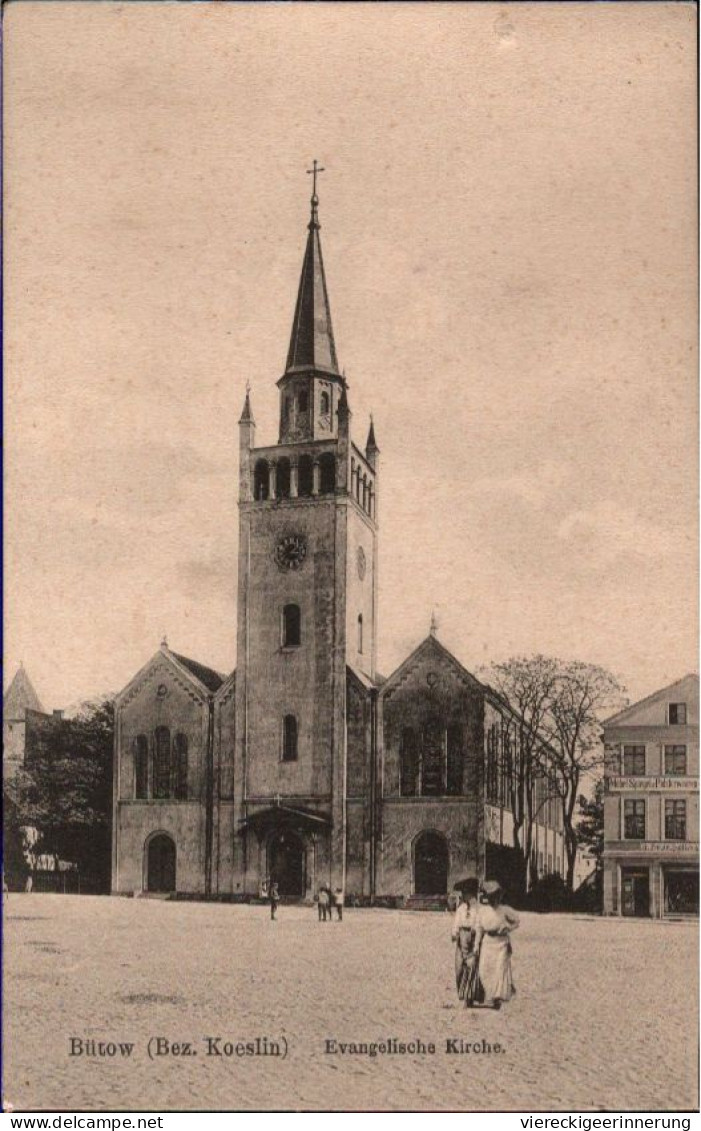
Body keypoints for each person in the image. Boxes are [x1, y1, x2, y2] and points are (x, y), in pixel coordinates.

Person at [473, 879, 519, 1009]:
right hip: (488, 942)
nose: (494, 900)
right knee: (484, 969)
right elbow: (479, 929)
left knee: (499, 969)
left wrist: (508, 928)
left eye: (496, 897)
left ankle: (497, 997)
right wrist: (476, 946)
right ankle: (490, 993)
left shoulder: (504, 910)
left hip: (501, 943)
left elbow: (517, 921)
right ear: (487, 897)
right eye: (491, 897)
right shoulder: (483, 911)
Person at [451, 878, 481, 1007]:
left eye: (465, 893)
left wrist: (477, 942)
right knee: (459, 968)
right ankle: (462, 993)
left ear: (472, 894)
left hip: (472, 937)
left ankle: (469, 997)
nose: (463, 896)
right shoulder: (461, 909)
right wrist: (454, 932)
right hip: (461, 938)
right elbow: (456, 922)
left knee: (471, 967)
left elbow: (480, 925)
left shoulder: (478, 909)